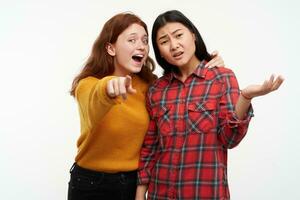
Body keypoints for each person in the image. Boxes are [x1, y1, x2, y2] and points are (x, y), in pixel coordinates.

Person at [68, 12, 225, 200]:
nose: (141, 46)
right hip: (91, 184)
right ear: (110, 48)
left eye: (144, 40)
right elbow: (95, 99)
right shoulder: (88, 85)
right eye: (132, 40)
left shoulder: (150, 88)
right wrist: (108, 88)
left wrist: (208, 64)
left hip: (133, 184)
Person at [136, 10, 284, 200]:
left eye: (179, 35)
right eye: (164, 41)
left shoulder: (222, 78)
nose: (174, 45)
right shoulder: (156, 90)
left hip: (206, 193)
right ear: (160, 53)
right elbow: (150, 148)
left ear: (193, 36)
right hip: (160, 194)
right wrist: (140, 195)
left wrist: (245, 97)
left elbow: (229, 139)